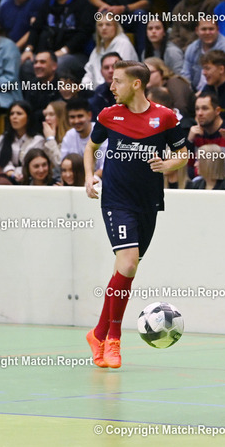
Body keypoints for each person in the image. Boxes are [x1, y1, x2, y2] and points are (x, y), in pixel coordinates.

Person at [84, 60, 189, 368]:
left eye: (117, 81)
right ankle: (113, 339)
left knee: (125, 270)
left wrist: (168, 164)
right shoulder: (109, 114)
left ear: (136, 84)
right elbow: (91, 147)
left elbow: (183, 155)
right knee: (128, 263)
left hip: (149, 203)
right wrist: (89, 176)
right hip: (116, 202)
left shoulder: (165, 117)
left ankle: (97, 333)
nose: (111, 86)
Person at [21, 0, 95, 80]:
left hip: (75, 54)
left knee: (58, 64)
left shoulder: (82, 3)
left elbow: (84, 33)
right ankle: (35, 88)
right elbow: (36, 28)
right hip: (48, 52)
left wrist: (63, 51)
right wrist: (28, 49)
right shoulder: (49, 2)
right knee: (27, 63)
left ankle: (57, 89)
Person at [0, 100, 51, 182]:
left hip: (31, 179)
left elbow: (36, 164)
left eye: (19, 114)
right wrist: (11, 173)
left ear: (28, 117)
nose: (14, 117)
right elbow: (0, 162)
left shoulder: (37, 140)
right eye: (12, 114)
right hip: (7, 178)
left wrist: (22, 174)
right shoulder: (3, 138)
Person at [82, 17, 137, 89]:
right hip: (98, 90)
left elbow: (124, 73)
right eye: (100, 25)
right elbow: (89, 73)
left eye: (108, 24)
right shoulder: (97, 49)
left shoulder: (124, 44)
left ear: (116, 27)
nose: (104, 28)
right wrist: (85, 87)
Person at [181, 19, 225, 92]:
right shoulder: (192, 48)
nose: (207, 32)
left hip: (218, 91)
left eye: (211, 29)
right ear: (197, 31)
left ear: (218, 29)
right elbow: (185, 75)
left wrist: (204, 93)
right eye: (204, 29)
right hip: (194, 91)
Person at [24, 51, 61, 130]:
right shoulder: (32, 84)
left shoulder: (62, 85)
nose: (37, 66)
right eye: (36, 62)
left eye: (42, 62)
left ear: (54, 66)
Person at [89, 52, 122, 119]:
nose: (110, 71)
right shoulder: (99, 92)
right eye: (106, 68)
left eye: (114, 67)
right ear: (101, 72)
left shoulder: (132, 90)